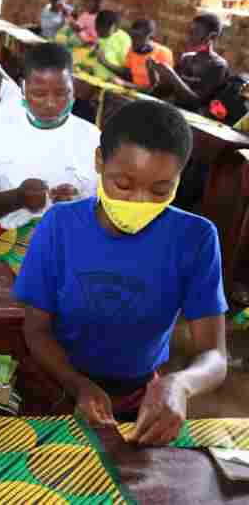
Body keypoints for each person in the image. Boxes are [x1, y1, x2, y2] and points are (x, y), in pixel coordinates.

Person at [15, 100, 227, 441]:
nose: (139, 202)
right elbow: (37, 330)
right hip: (55, 385)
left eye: (160, 190)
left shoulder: (195, 238)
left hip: (139, 399)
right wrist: (78, 384)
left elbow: (214, 355)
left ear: (179, 177)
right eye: (123, 185)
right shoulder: (61, 225)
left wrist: (180, 384)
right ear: (99, 161)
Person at [0, 43, 99, 245]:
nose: (50, 103)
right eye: (39, 94)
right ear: (23, 87)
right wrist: (17, 198)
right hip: (4, 243)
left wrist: (77, 203)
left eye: (61, 92)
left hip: (71, 242)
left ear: (73, 87)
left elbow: (109, 205)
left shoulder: (92, 137)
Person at [151, 13, 229, 113]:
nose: (189, 36)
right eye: (189, 31)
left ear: (212, 37)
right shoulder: (186, 59)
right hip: (175, 112)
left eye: (195, 32)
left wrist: (172, 76)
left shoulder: (218, 66)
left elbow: (196, 102)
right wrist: (153, 71)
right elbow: (161, 93)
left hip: (196, 121)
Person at [97, 19, 174, 91]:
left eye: (139, 37)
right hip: (134, 91)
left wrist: (126, 84)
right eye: (132, 36)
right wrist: (105, 63)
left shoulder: (163, 53)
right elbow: (127, 73)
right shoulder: (133, 50)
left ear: (150, 37)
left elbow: (158, 88)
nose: (134, 41)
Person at [92, 10, 131, 80]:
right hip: (97, 80)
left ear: (112, 27)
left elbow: (127, 71)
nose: (97, 32)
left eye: (101, 29)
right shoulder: (103, 36)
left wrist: (105, 63)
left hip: (112, 85)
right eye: (96, 28)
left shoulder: (123, 40)